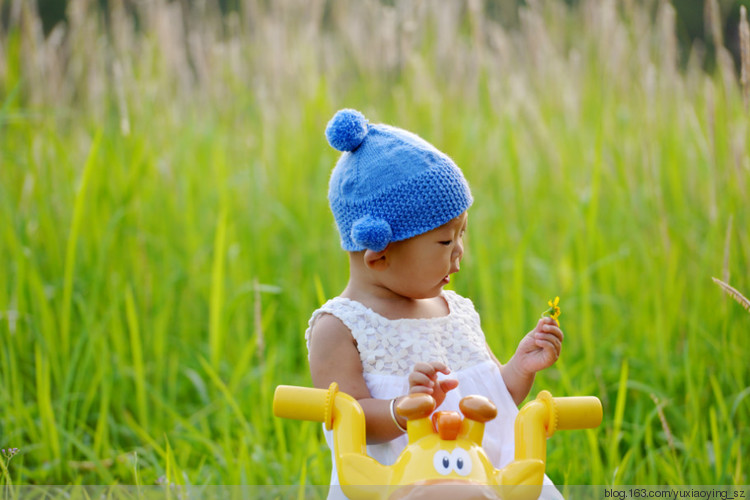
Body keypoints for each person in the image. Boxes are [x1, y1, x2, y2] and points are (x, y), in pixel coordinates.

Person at [306, 108, 564, 499]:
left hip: (486, 482)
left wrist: (518, 370)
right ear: (379, 255)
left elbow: (491, 404)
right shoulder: (339, 328)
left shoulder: (456, 311)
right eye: (445, 242)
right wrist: (402, 408)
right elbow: (346, 419)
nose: (459, 254)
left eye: (463, 234)